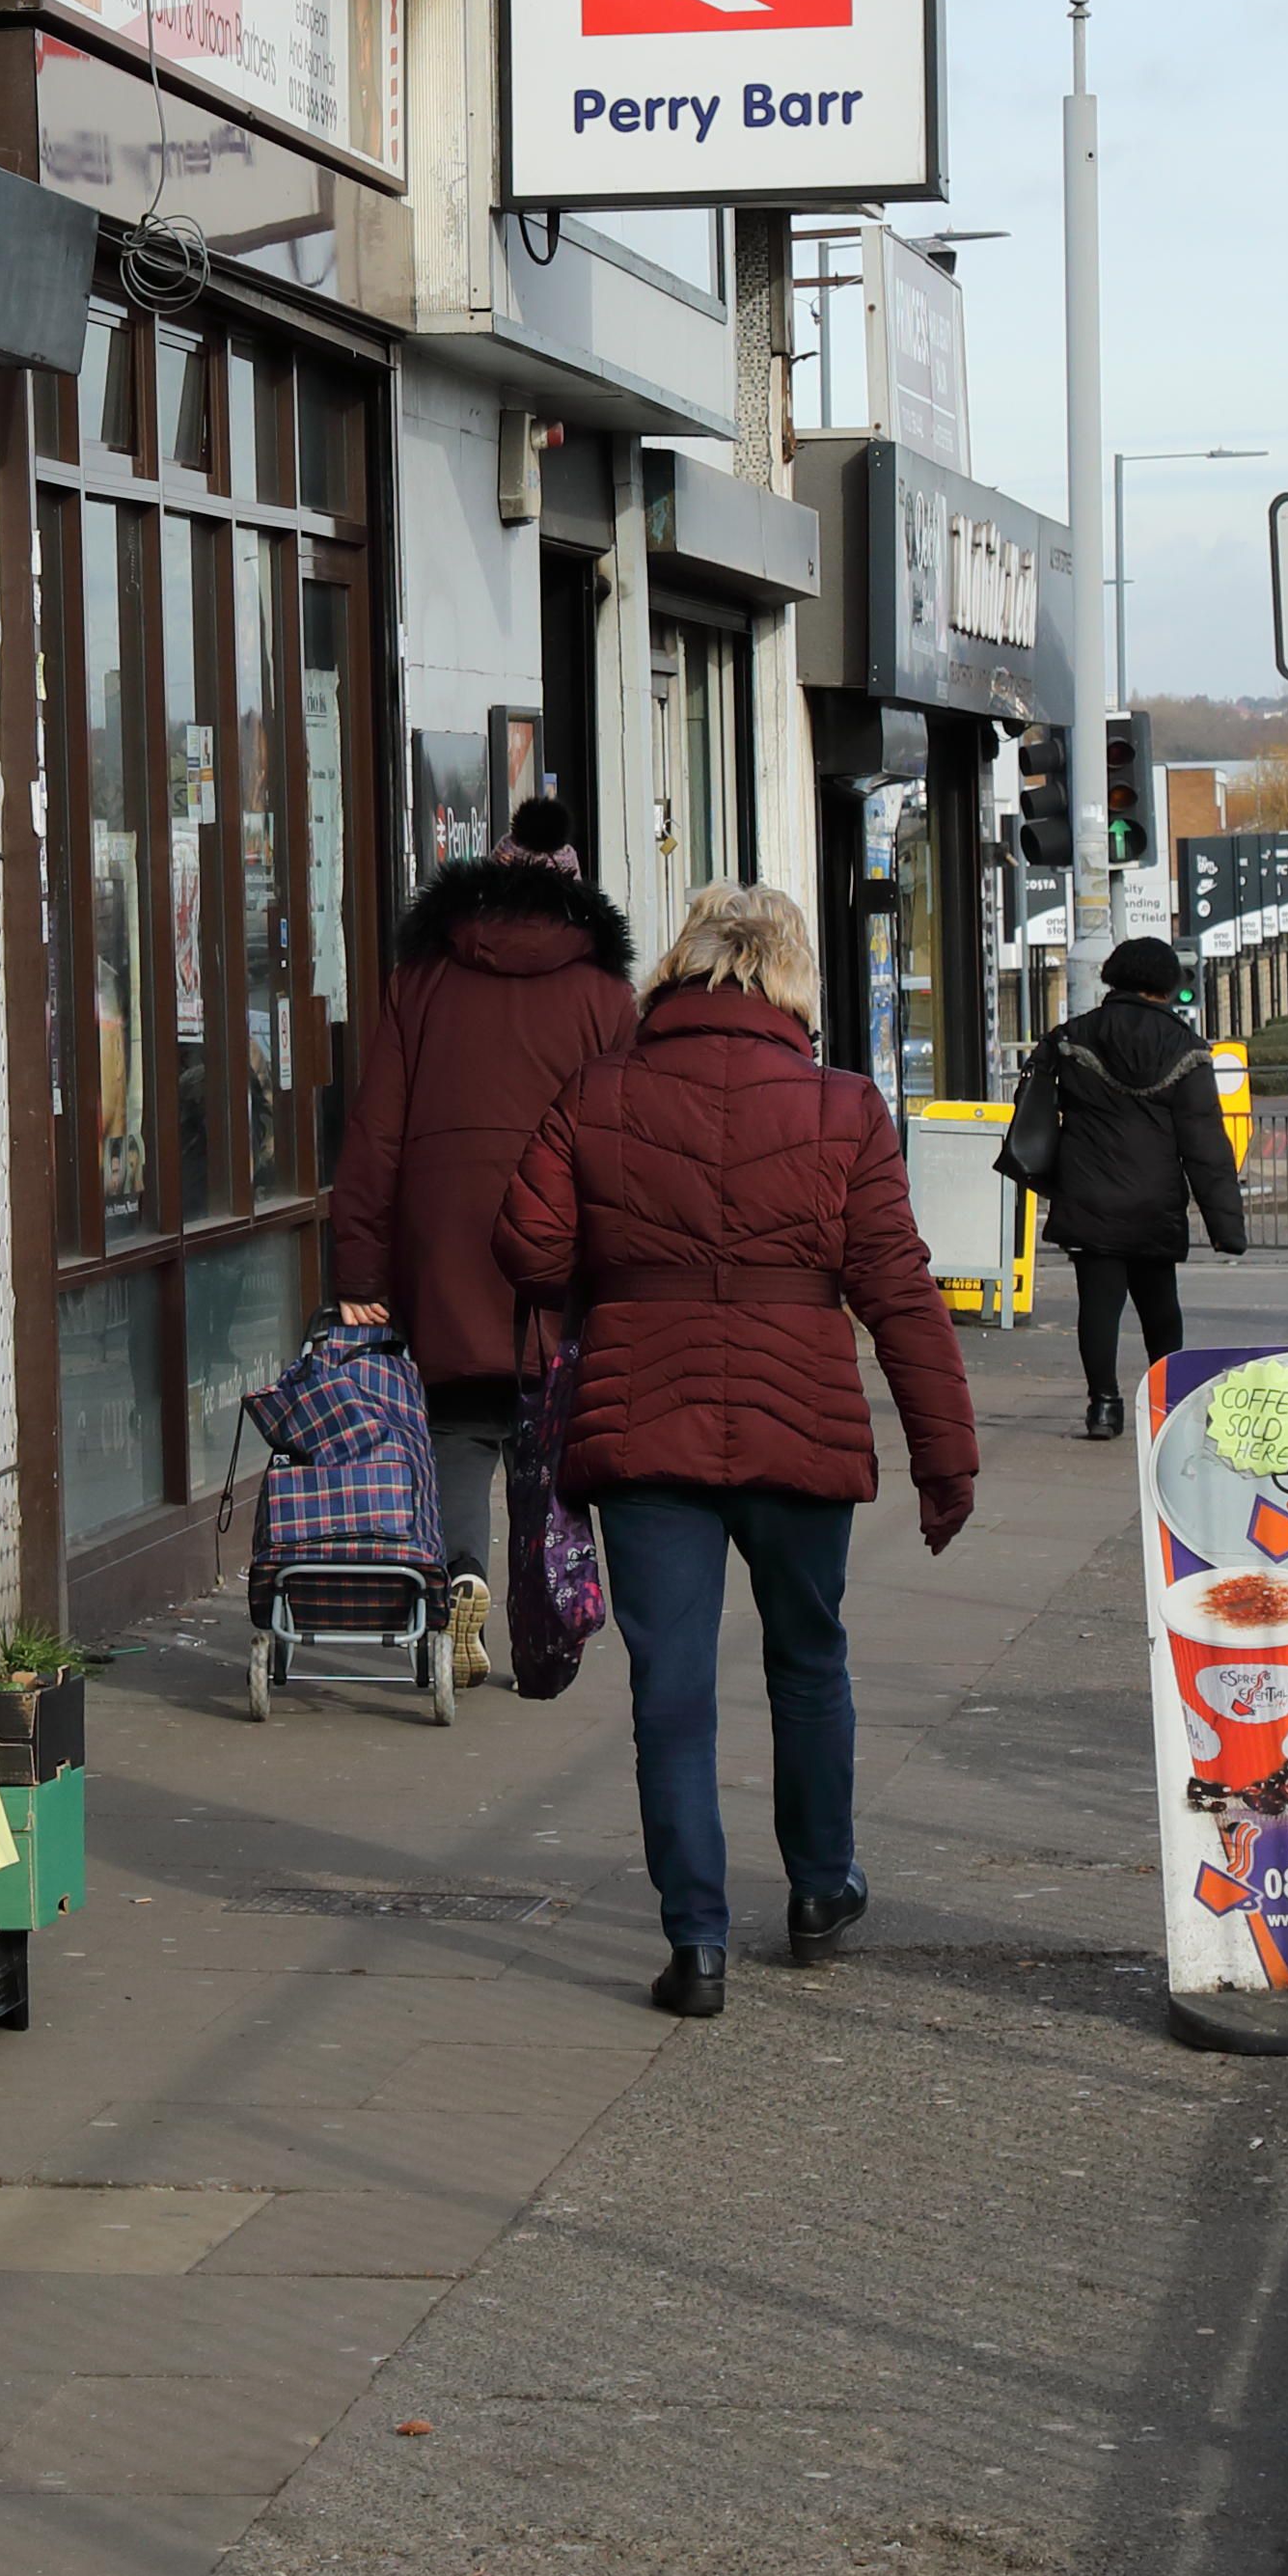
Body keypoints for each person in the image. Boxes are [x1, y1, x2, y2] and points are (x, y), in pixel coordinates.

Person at [496, 883, 985, 2018]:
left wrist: (608, 1267)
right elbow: (899, 1291)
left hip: (643, 1417)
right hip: (798, 1419)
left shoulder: (601, 1091)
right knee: (810, 1655)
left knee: (671, 1685)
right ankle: (819, 1888)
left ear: (679, 968)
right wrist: (944, 1456)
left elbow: (527, 1242)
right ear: (793, 981)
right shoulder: (844, 1106)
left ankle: (698, 1944)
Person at [324, 796, 637, 1674]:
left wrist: (358, 1263)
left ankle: (461, 1574)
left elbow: (375, 1131)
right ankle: (544, 1610)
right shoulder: (605, 996)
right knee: (546, 1432)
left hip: (444, 1240)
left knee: (456, 1426)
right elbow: (624, 1135)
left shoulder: (424, 979)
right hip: (556, 1237)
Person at [1013, 937, 1252, 1442]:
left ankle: (1103, 1406)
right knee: (1160, 1306)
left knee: (1098, 1307)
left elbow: (1036, 1106)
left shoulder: (1072, 1038)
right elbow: (1205, 1143)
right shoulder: (1185, 1049)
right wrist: (1226, 1226)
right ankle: (1172, 1406)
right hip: (1154, 1199)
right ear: (1168, 985)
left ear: (1113, 978)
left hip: (1089, 1194)